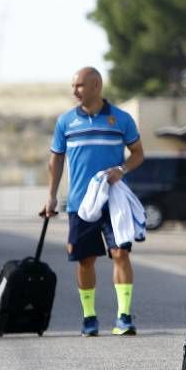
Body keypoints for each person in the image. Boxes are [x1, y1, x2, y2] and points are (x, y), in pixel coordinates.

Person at [43, 66, 144, 337]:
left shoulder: (121, 119)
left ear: (96, 85)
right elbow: (56, 158)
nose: (74, 91)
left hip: (114, 200)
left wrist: (121, 170)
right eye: (73, 86)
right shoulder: (65, 122)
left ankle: (124, 317)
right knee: (85, 260)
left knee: (120, 253)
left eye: (79, 86)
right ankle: (89, 318)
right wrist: (51, 196)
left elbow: (137, 153)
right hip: (80, 204)